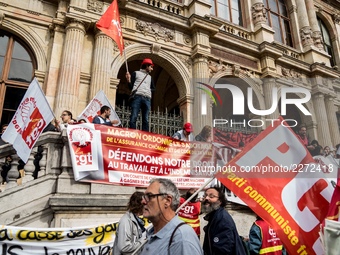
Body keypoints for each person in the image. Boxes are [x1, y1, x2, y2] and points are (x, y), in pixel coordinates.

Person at [140, 178, 203, 255]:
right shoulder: (152, 231)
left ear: (167, 201)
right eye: (144, 197)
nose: (143, 201)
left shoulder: (182, 238)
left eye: (149, 196)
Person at [203, 186, 246, 255]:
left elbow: (223, 250)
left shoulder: (222, 219)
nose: (206, 198)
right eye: (205, 196)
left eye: (211, 196)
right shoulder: (214, 217)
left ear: (220, 201)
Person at [126, 58, 155, 132]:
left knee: (146, 118)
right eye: (151, 67)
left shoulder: (150, 77)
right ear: (146, 66)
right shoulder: (135, 73)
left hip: (147, 98)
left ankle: (145, 133)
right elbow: (131, 87)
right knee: (134, 116)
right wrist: (128, 80)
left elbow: (153, 88)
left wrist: (148, 90)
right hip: (137, 96)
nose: (152, 69)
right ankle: (133, 132)